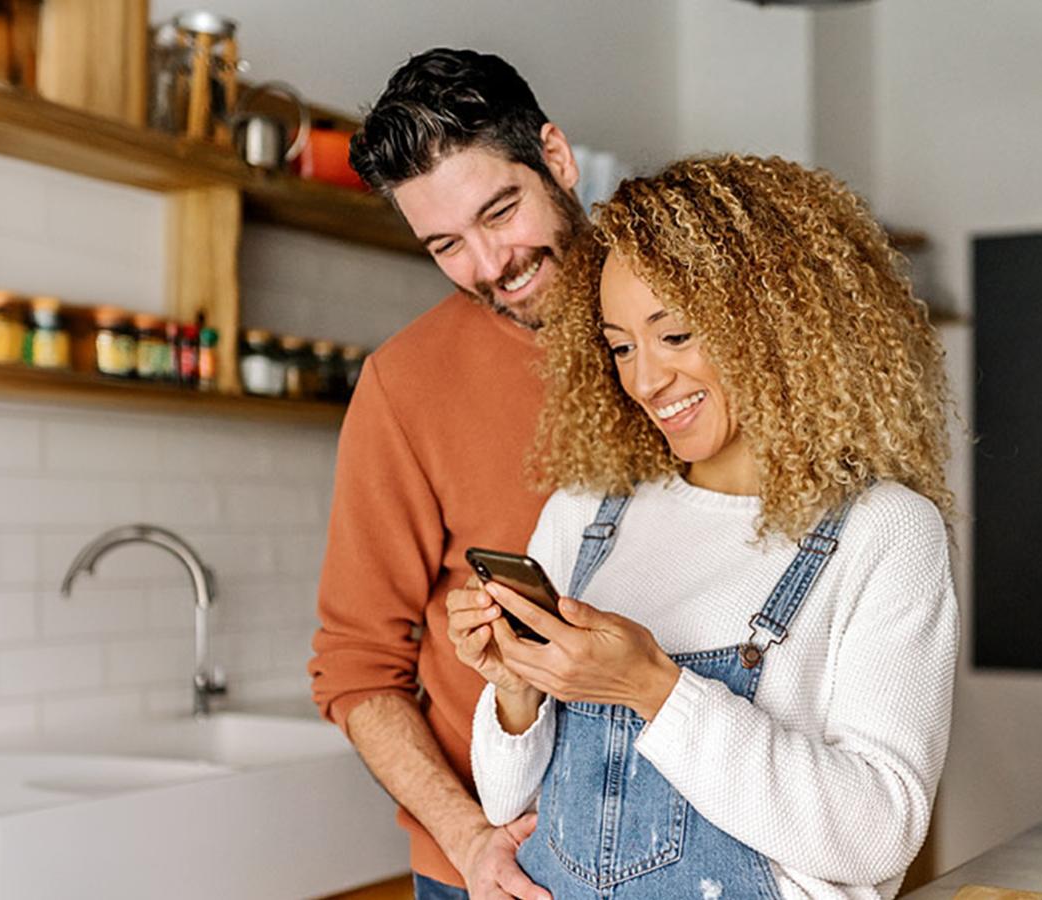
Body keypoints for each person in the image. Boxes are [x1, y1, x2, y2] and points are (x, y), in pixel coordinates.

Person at [447, 155, 960, 898]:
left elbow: (876, 833)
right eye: (620, 345)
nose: (645, 380)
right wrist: (514, 694)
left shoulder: (884, 532)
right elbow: (511, 809)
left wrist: (655, 689)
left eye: (676, 336)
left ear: (777, 325)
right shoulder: (584, 514)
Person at [309, 47, 588, 900]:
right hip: (497, 873)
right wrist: (470, 844)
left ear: (557, 160)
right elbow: (357, 668)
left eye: (500, 212)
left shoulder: (682, 329)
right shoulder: (405, 384)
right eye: (445, 245)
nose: (489, 264)